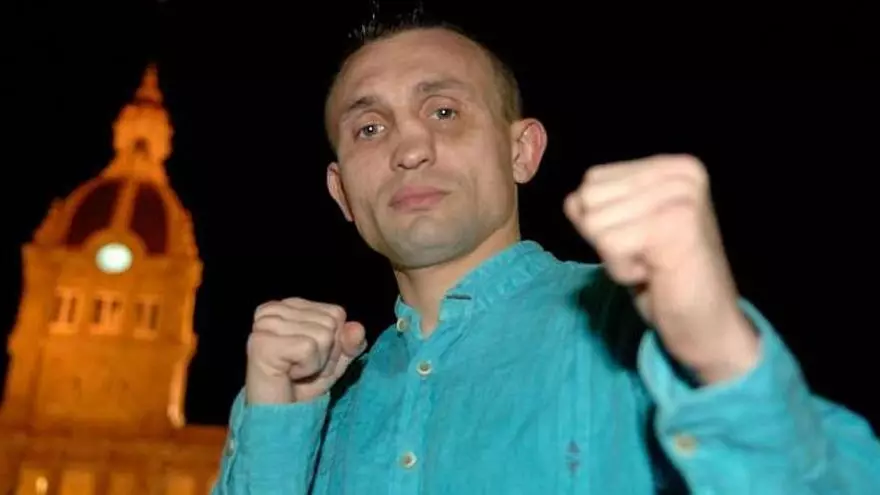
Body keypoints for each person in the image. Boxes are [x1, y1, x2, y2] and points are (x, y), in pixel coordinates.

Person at [212, 18, 880, 494]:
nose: (409, 148)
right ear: (341, 193)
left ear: (521, 151)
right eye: (369, 127)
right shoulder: (320, 401)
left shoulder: (634, 329)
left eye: (443, 112)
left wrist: (717, 349)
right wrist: (277, 422)